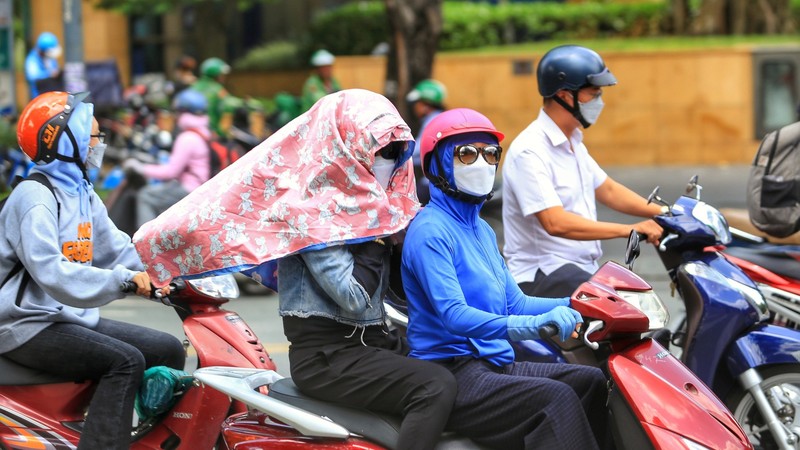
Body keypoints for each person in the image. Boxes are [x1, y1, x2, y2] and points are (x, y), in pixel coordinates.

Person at [129, 89, 457, 450]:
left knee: (465, 366)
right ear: (347, 147)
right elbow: (355, 298)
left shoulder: (376, 208)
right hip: (329, 359)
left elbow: (399, 294)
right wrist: (378, 238)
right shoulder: (312, 212)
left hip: (376, 342)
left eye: (396, 151)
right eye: (382, 150)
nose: (389, 161)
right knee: (434, 387)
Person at [401, 108, 609, 450]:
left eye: (490, 153)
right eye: (466, 153)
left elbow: (515, 302)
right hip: (455, 372)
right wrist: (536, 325)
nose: (481, 163)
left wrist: (582, 304)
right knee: (555, 398)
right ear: (437, 164)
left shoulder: (481, 229)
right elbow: (454, 316)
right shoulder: (430, 231)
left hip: (495, 364)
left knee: (593, 381)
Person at [0, 91, 185, 450]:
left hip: (65, 317)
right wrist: (124, 281)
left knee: (166, 349)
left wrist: (170, 273)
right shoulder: (35, 197)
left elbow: (117, 249)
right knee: (125, 361)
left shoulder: (82, 191)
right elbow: (52, 273)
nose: (100, 143)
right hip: (24, 323)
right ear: (66, 140)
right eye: (94, 135)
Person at [502, 45, 664, 298]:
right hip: (541, 276)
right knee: (631, 308)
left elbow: (608, 190)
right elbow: (555, 222)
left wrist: (666, 214)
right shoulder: (530, 151)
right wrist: (629, 230)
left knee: (634, 300)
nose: (600, 102)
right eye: (594, 94)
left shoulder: (573, 141)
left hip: (577, 272)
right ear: (565, 96)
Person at [124, 88, 212, 228]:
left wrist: (140, 168)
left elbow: (170, 172)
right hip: (198, 187)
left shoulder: (187, 138)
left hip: (188, 189)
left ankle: (147, 239)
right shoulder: (202, 133)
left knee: (146, 195)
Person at [406, 78, 447, 204]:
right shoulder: (440, 118)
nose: (415, 108)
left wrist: (398, 153)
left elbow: (420, 150)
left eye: (417, 103)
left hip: (435, 182)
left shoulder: (433, 121)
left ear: (425, 105)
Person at [191, 57, 230, 137]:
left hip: (194, 132)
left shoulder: (193, 87)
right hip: (214, 134)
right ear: (216, 75)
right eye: (221, 75)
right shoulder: (219, 90)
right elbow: (228, 108)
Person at [24, 32, 63, 99]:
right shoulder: (32, 59)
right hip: (39, 97)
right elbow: (33, 76)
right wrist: (49, 74)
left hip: (52, 95)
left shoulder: (49, 58)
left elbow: (55, 69)